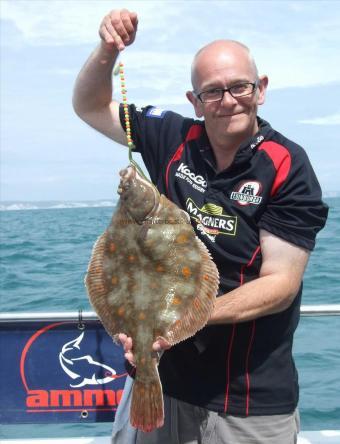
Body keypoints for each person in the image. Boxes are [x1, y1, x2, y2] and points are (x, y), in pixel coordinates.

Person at [73, 9, 328, 444]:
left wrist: (175, 323)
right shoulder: (170, 137)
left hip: (247, 398)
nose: (228, 100)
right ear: (194, 101)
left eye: (239, 87)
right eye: (213, 91)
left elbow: (281, 285)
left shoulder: (288, 166)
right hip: (158, 382)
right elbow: (90, 105)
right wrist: (108, 50)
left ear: (260, 90)